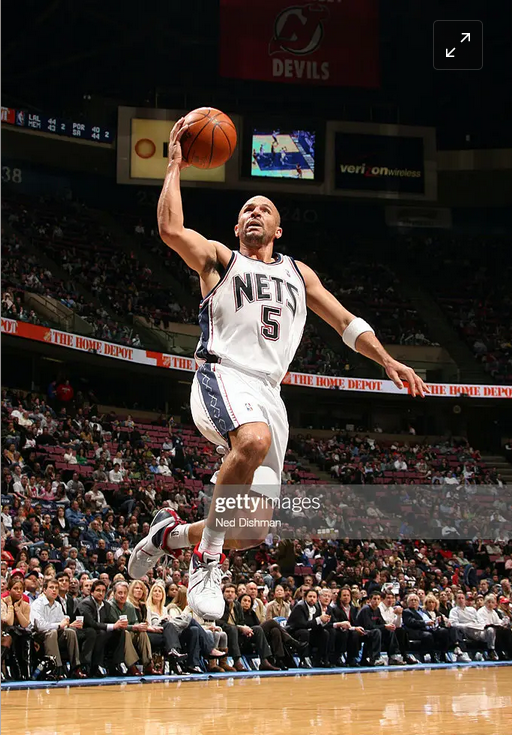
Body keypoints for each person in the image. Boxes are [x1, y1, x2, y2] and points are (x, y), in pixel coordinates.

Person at [128, 117, 427, 621]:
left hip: (270, 392)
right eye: (246, 209)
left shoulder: (297, 273)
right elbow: (170, 230)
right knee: (252, 443)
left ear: (278, 228)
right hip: (222, 373)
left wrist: (389, 360)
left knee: (251, 530)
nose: (253, 213)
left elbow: (346, 323)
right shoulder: (221, 261)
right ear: (237, 226)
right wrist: (175, 164)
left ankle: (169, 534)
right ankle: (205, 561)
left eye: (263, 209)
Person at [30, 578, 84, 679]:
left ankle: (75, 667)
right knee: (53, 632)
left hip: (55, 632)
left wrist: (69, 624)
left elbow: (63, 624)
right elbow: (40, 626)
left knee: (70, 632)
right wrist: (59, 625)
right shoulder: (37, 604)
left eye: (56, 588)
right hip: (39, 635)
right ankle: (56, 669)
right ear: (44, 590)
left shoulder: (57, 605)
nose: (54, 590)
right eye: (51, 587)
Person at [218, 584, 279, 671]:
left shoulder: (237, 605)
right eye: (227, 591)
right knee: (233, 629)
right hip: (227, 634)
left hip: (239, 635)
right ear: (223, 593)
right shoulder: (220, 605)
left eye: (232, 592)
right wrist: (240, 628)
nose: (230, 594)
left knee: (257, 629)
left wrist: (247, 629)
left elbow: (242, 622)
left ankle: (264, 661)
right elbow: (219, 623)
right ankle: (237, 661)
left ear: (235, 595)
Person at [76, 579, 128, 677]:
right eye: (98, 590)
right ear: (92, 592)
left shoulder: (106, 605)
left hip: (99, 631)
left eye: (103, 591)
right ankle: (93, 665)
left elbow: (109, 621)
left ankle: (117, 663)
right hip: (84, 631)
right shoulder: (86, 604)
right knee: (98, 633)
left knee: (120, 631)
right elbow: (92, 623)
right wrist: (113, 626)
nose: (101, 593)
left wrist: (119, 625)